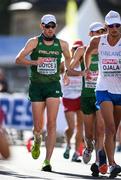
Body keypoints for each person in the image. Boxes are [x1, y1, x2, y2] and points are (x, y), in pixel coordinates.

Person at [15, 14, 71, 172]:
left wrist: (66, 73)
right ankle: (37, 139)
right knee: (38, 126)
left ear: (56, 27)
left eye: (52, 26)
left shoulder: (63, 44)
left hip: (53, 85)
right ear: (42, 26)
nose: (50, 29)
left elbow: (68, 60)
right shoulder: (34, 42)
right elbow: (18, 59)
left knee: (51, 123)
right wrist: (34, 62)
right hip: (37, 86)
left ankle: (47, 161)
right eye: (47, 26)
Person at [84, 10, 121, 178]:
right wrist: (87, 67)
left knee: (113, 131)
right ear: (106, 27)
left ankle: (106, 158)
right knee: (110, 127)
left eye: (117, 25)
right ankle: (112, 164)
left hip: (119, 91)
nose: (114, 29)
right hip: (103, 89)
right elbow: (87, 52)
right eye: (111, 26)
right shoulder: (98, 41)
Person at [70, 22, 107, 176]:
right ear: (90, 34)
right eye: (96, 32)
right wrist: (81, 73)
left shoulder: (108, 50)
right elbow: (69, 70)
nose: (99, 34)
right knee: (89, 134)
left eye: (102, 31)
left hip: (101, 94)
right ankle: (89, 147)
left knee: (100, 130)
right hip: (86, 96)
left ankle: (99, 163)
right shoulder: (82, 50)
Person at [61, 40, 84, 162]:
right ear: (71, 50)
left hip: (80, 97)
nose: (76, 51)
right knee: (70, 127)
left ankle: (76, 153)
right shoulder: (64, 63)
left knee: (80, 127)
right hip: (68, 98)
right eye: (74, 49)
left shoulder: (85, 63)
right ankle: (68, 143)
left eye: (78, 49)